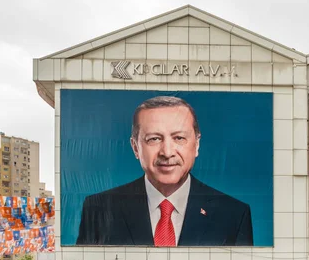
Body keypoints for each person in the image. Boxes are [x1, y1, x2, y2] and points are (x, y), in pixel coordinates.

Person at [76, 96, 254, 246]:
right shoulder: (98, 208)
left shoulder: (234, 214)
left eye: (179, 138)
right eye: (154, 139)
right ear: (135, 147)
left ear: (197, 144)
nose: (167, 152)